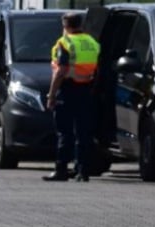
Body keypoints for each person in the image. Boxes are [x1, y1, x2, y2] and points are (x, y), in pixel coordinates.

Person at [44, 12, 100, 182]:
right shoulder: (92, 43)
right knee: (83, 132)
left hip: (68, 90)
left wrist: (51, 95)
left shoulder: (65, 43)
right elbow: (97, 70)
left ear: (65, 26)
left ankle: (61, 169)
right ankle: (83, 171)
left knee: (64, 132)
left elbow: (60, 71)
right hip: (86, 90)